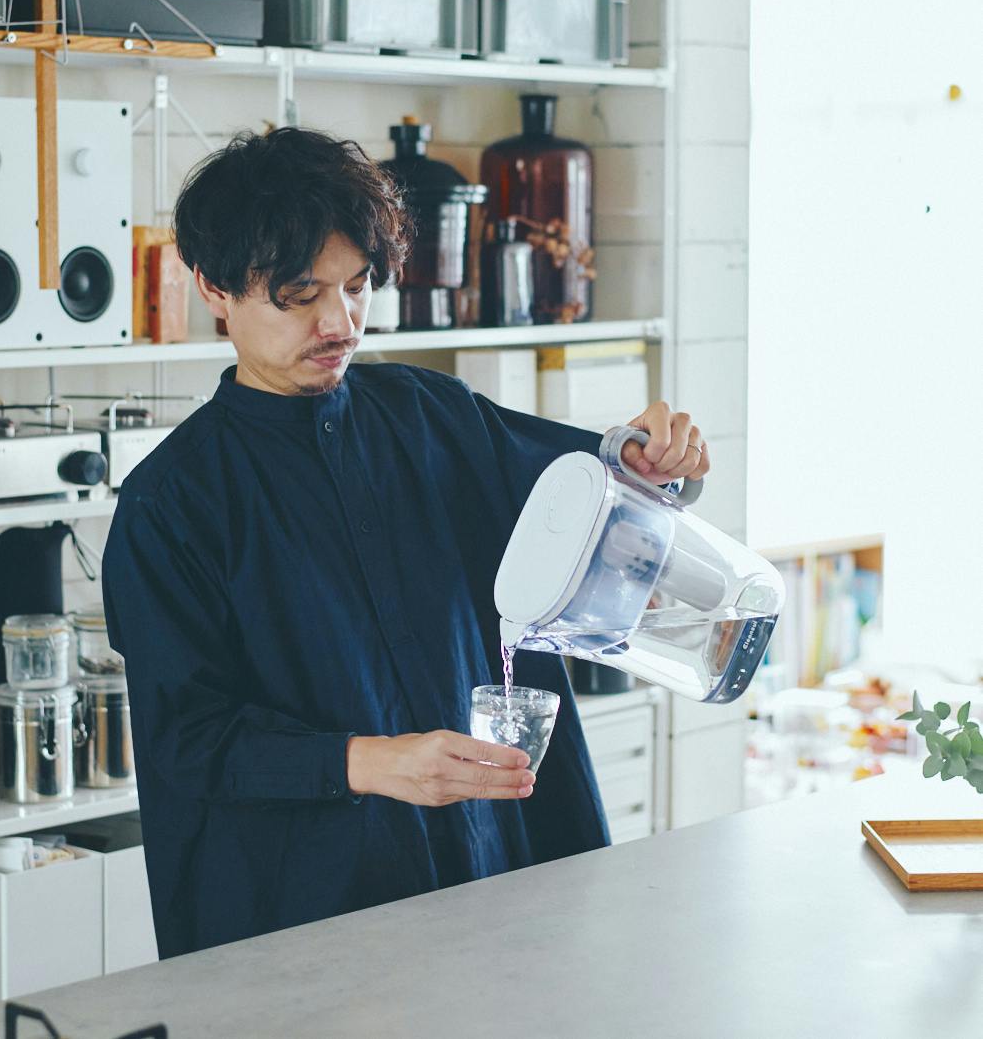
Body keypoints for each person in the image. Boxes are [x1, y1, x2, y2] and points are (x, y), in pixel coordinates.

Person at [102, 128, 710, 960]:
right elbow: (187, 740)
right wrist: (371, 763)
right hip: (305, 910)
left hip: (492, 868)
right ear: (212, 286)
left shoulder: (434, 416)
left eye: (356, 287)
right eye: (300, 293)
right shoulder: (171, 505)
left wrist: (655, 462)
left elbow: (597, 499)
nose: (339, 322)